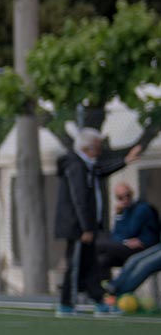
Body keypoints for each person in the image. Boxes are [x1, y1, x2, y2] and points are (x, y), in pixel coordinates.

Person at [53, 128, 142, 316]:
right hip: (78, 228)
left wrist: (126, 160)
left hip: (88, 227)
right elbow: (79, 198)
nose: (101, 149)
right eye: (98, 146)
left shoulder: (88, 166)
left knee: (91, 264)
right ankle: (66, 304)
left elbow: (102, 170)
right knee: (76, 264)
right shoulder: (75, 166)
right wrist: (85, 228)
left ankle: (100, 301)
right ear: (89, 147)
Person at [105, 182, 161, 301]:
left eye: (128, 195)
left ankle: (117, 294)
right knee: (133, 260)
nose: (125, 199)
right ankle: (112, 288)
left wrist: (139, 240)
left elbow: (128, 233)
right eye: (120, 197)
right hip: (154, 246)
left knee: (145, 264)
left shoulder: (142, 208)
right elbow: (115, 237)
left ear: (132, 194)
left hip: (148, 245)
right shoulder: (126, 210)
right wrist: (119, 215)